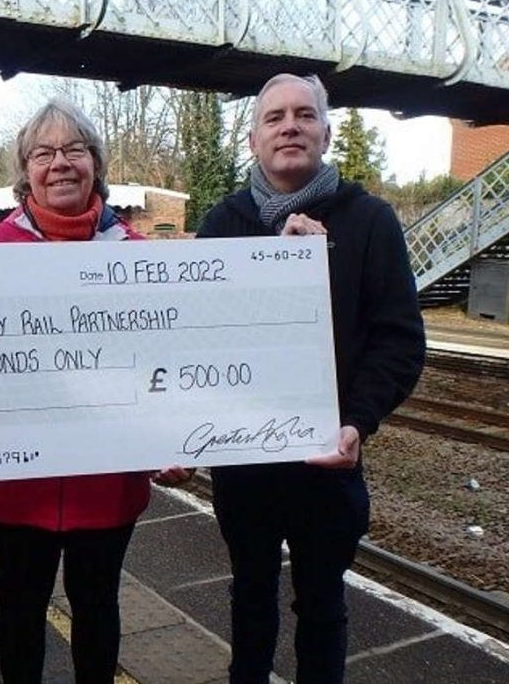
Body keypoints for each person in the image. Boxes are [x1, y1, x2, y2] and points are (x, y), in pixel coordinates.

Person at [0, 98, 192, 684]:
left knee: (98, 607)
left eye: (74, 150)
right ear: (26, 170)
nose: (60, 164)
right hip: (15, 482)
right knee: (19, 607)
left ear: (95, 163)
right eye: (44, 153)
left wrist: (176, 440)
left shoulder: (138, 259)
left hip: (108, 482)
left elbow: (163, 362)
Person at [196, 73, 425, 684]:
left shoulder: (370, 221)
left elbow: (399, 341)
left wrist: (358, 422)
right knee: (250, 601)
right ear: (254, 140)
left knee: (323, 607)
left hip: (330, 464)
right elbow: (201, 334)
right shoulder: (222, 226)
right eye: (274, 118)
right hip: (245, 468)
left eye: (304, 114)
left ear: (325, 131)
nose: (289, 126)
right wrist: (280, 253)